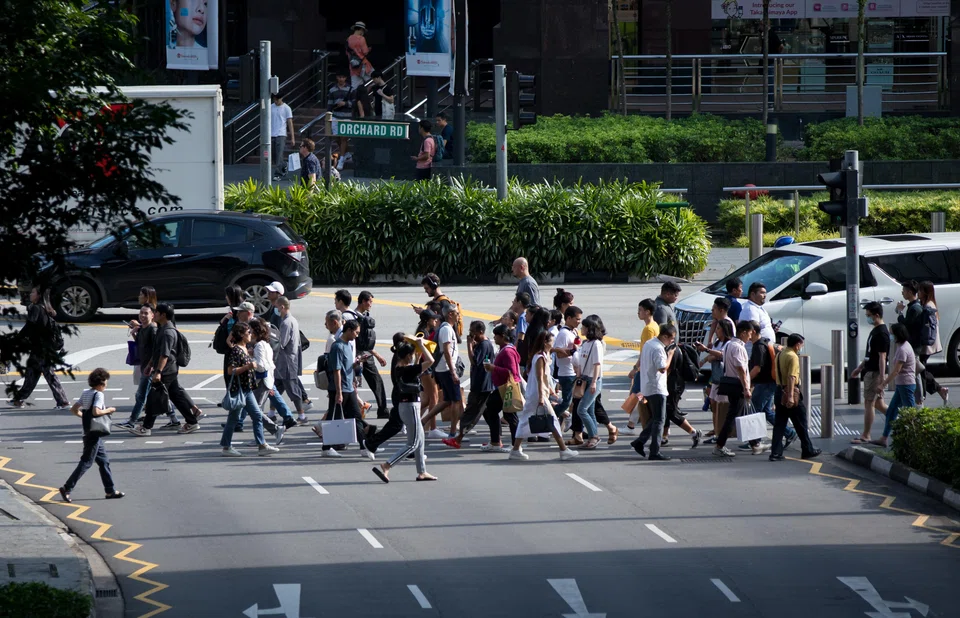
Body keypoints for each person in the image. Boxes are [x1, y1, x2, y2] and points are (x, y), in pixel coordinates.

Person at [125, 304, 199, 436]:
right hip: (167, 368)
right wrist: (150, 365)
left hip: (166, 370)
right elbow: (157, 351)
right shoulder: (162, 328)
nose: (155, 314)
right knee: (176, 396)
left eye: (156, 312)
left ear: (163, 315)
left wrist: (158, 372)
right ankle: (192, 421)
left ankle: (146, 427)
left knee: (154, 397)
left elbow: (164, 354)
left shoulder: (167, 332)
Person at [373, 336, 437, 482]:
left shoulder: (400, 367)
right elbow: (431, 361)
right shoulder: (408, 370)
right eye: (413, 355)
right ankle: (387, 465)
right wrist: (422, 345)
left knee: (420, 440)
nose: (414, 357)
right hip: (411, 407)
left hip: (405, 406)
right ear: (408, 356)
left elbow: (415, 366)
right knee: (413, 443)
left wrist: (418, 353)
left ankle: (422, 472)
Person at [509, 331, 579, 461]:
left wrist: (550, 391)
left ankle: (515, 449)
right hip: (537, 395)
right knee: (551, 420)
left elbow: (545, 377)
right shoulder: (540, 357)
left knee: (525, 421)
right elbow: (540, 378)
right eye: (552, 342)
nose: (553, 344)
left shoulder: (543, 354)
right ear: (545, 343)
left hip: (537, 394)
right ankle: (563, 450)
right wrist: (542, 397)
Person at [58, 368, 124, 503]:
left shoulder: (86, 393)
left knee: (104, 461)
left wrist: (85, 418)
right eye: (105, 382)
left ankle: (110, 490)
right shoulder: (99, 394)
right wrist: (110, 410)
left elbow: (74, 409)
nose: (106, 385)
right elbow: (96, 411)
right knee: (86, 462)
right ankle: (67, 488)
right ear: (101, 383)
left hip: (89, 432)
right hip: (94, 434)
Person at [219, 323, 279, 457]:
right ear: (241, 335)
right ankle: (226, 447)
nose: (251, 334)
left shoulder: (245, 348)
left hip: (247, 390)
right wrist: (248, 366)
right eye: (248, 332)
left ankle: (262, 445)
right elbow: (231, 371)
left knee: (257, 416)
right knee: (233, 419)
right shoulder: (236, 351)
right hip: (239, 390)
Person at [117, 304, 178, 429]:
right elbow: (140, 344)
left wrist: (151, 366)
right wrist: (134, 332)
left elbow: (157, 350)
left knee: (141, 396)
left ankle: (132, 421)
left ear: (152, 315)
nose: (143, 315)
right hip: (146, 366)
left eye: (146, 313)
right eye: (141, 313)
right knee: (160, 394)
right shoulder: (143, 329)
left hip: (150, 368)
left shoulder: (153, 329)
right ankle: (174, 419)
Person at [8, 286, 69, 409]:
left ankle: (63, 402)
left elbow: (29, 326)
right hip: (40, 349)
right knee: (32, 374)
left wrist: (16, 339)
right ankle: (19, 399)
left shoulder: (36, 308)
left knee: (49, 375)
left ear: (39, 295)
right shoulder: (47, 309)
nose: (30, 294)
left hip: (43, 350)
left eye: (33, 292)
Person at [323, 319, 373, 458]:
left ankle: (364, 447)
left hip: (348, 388)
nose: (357, 335)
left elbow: (346, 366)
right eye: (356, 332)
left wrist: (357, 362)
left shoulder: (347, 346)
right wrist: (339, 392)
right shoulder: (337, 346)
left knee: (356, 417)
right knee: (333, 418)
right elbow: (337, 371)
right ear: (349, 330)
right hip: (340, 389)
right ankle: (326, 448)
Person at [443, 321, 496, 449]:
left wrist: (469, 345)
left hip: (481, 385)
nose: (471, 335)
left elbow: (474, 361)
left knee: (470, 412)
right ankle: (496, 439)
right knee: (489, 414)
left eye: (473, 332)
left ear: (481, 332)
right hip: (485, 384)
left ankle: (458, 438)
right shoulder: (484, 343)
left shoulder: (483, 345)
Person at [769, 334, 820, 461]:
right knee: (801, 422)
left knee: (779, 424)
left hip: (779, 390)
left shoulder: (780, 354)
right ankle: (807, 450)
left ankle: (775, 452)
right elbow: (792, 377)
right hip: (790, 391)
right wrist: (791, 396)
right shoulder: (793, 357)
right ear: (797, 344)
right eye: (801, 344)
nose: (801, 347)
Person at [631, 325, 677, 461]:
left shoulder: (649, 344)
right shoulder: (658, 349)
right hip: (657, 387)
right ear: (664, 336)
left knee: (655, 418)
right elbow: (662, 367)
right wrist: (670, 355)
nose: (672, 342)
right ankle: (654, 451)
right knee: (659, 420)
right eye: (671, 339)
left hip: (648, 385)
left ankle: (640, 442)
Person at [250, 319, 297, 445]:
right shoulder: (265, 344)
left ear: (255, 332)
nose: (249, 333)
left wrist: (250, 362)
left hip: (261, 382)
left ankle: (274, 431)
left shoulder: (259, 346)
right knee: (255, 411)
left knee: (256, 411)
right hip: (267, 381)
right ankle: (260, 439)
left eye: (250, 331)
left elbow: (261, 365)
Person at [420, 303, 463, 438]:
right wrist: (453, 371)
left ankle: (423, 421)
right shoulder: (446, 330)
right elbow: (446, 351)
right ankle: (452, 433)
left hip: (443, 369)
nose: (459, 316)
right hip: (446, 369)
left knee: (447, 400)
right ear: (450, 314)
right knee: (456, 401)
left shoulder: (448, 328)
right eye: (457, 313)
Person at [871, 324, 917, 448]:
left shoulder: (903, 349)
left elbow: (896, 371)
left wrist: (883, 384)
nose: (890, 335)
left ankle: (917, 439)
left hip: (906, 385)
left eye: (892, 333)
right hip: (902, 385)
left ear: (897, 334)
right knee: (891, 411)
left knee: (911, 414)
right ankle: (884, 438)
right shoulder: (902, 346)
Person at [850, 302, 889, 445]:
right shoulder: (875, 330)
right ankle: (901, 422)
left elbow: (882, 357)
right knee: (878, 404)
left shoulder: (881, 333)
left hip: (874, 374)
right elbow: (869, 354)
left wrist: (882, 379)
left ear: (876, 315)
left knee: (869, 403)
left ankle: (866, 435)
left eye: (869, 316)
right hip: (870, 370)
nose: (867, 318)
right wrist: (860, 368)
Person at [344, 291, 388, 418]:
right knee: (352, 384)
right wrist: (377, 355)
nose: (371, 304)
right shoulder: (353, 317)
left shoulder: (364, 315)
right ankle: (357, 410)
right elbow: (361, 342)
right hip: (358, 355)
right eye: (370, 301)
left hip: (365, 355)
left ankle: (381, 410)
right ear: (363, 301)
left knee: (376, 382)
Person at [698, 298, 735, 443]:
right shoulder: (718, 337)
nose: (712, 312)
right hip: (716, 376)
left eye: (714, 309)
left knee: (720, 407)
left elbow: (722, 354)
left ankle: (721, 433)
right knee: (713, 403)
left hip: (723, 377)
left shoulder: (728, 330)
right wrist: (705, 357)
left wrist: (707, 352)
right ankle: (717, 432)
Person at [713, 321, 753, 458]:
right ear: (743, 333)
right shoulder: (738, 347)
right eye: (749, 333)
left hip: (731, 385)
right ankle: (719, 445)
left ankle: (755, 443)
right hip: (738, 386)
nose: (750, 336)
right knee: (733, 416)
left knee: (741, 413)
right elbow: (741, 369)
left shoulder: (729, 345)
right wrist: (746, 388)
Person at [480, 325, 521, 452]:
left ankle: (515, 446)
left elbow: (511, 371)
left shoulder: (508, 351)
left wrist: (494, 368)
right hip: (501, 387)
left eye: (496, 335)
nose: (494, 338)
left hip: (507, 387)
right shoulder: (505, 349)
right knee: (490, 410)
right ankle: (495, 441)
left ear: (502, 336)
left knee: (510, 415)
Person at [623, 298, 661, 435]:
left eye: (640, 310)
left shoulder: (649, 329)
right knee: (639, 396)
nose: (638, 313)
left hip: (645, 368)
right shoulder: (655, 326)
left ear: (647, 311)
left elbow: (646, 351)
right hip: (647, 368)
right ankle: (631, 425)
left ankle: (631, 426)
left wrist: (635, 368)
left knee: (636, 395)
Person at [743, 320, 780, 454]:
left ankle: (755, 442)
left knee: (755, 412)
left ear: (752, 332)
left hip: (765, 384)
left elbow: (757, 368)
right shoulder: (764, 342)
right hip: (768, 383)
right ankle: (789, 433)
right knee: (767, 412)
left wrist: (746, 381)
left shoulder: (759, 346)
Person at [274, 296, 309, 425]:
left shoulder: (286, 323)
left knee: (292, 389)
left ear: (282, 307)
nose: (276, 310)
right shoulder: (292, 320)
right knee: (275, 388)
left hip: (287, 361)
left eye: (277, 307)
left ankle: (302, 416)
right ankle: (272, 414)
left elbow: (282, 342)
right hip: (286, 361)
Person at [575, 315, 606, 450]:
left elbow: (597, 364)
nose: (581, 329)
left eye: (584, 327)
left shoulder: (596, 344)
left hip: (593, 380)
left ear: (589, 329)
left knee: (581, 409)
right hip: (585, 379)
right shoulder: (585, 343)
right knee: (590, 411)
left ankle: (594, 436)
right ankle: (593, 437)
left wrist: (593, 382)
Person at [916, 281, 949, 405]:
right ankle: (939, 390)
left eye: (920, 290)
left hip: (927, 343)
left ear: (925, 292)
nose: (918, 293)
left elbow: (928, 328)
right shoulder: (928, 304)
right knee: (921, 368)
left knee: (920, 369)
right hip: (929, 342)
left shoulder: (928, 306)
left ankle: (924, 395)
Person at [552, 306, 582, 427]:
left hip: (573, 371)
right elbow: (558, 353)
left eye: (580, 319)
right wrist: (572, 352)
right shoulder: (563, 334)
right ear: (568, 318)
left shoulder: (572, 331)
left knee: (573, 402)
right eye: (577, 319)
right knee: (566, 402)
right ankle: (550, 417)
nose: (579, 322)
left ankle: (567, 425)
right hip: (566, 373)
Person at [327, 71, 354, 168]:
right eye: (339, 77)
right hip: (335, 115)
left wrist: (345, 104)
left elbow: (354, 103)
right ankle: (346, 153)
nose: (341, 79)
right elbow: (329, 104)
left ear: (345, 78)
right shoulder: (332, 90)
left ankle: (341, 159)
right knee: (336, 137)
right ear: (337, 78)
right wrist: (328, 115)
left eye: (343, 77)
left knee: (344, 137)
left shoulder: (351, 89)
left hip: (347, 116)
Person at [271, 93, 295, 180]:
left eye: (277, 100)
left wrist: (292, 137)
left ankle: (278, 174)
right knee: (273, 155)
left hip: (281, 134)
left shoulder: (286, 108)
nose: (276, 101)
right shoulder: (271, 107)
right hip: (271, 133)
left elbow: (290, 123)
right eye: (274, 100)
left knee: (279, 154)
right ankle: (284, 164)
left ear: (281, 98)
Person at [346, 21, 373, 89]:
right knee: (375, 79)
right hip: (363, 64)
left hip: (353, 65)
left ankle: (357, 99)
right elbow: (365, 52)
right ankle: (369, 97)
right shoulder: (361, 38)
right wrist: (368, 49)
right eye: (363, 30)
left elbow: (347, 52)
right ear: (361, 29)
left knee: (356, 86)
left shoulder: (348, 38)